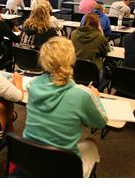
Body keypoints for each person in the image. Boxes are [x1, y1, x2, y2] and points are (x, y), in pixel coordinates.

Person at [23, 36, 107, 177]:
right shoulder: (82, 94)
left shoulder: (33, 85)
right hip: (64, 168)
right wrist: (97, 98)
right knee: (91, 142)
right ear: (72, 60)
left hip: (31, 159)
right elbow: (101, 122)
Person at [72, 13, 110, 79]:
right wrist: (102, 33)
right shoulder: (99, 37)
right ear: (98, 24)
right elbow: (105, 52)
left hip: (75, 70)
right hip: (93, 73)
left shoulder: (74, 33)